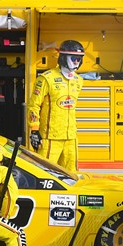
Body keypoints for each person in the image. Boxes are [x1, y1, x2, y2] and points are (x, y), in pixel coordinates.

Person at [28, 39, 84, 171]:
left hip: (71, 138)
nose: (77, 61)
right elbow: (33, 106)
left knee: (71, 176)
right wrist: (34, 130)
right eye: (74, 58)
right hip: (49, 138)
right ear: (64, 57)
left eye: (79, 58)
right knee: (44, 173)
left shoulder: (78, 81)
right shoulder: (47, 78)